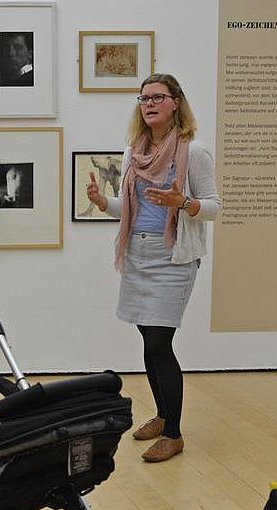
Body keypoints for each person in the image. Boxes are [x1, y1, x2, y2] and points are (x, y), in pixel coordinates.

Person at [84, 73, 221, 463]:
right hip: (137, 254)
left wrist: (182, 202)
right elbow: (130, 209)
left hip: (172, 257)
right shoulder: (134, 152)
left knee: (160, 343)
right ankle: (162, 416)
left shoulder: (194, 152)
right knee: (148, 341)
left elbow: (213, 207)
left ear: (176, 102)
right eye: (143, 98)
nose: (149, 103)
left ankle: (174, 434)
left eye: (158, 97)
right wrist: (101, 202)